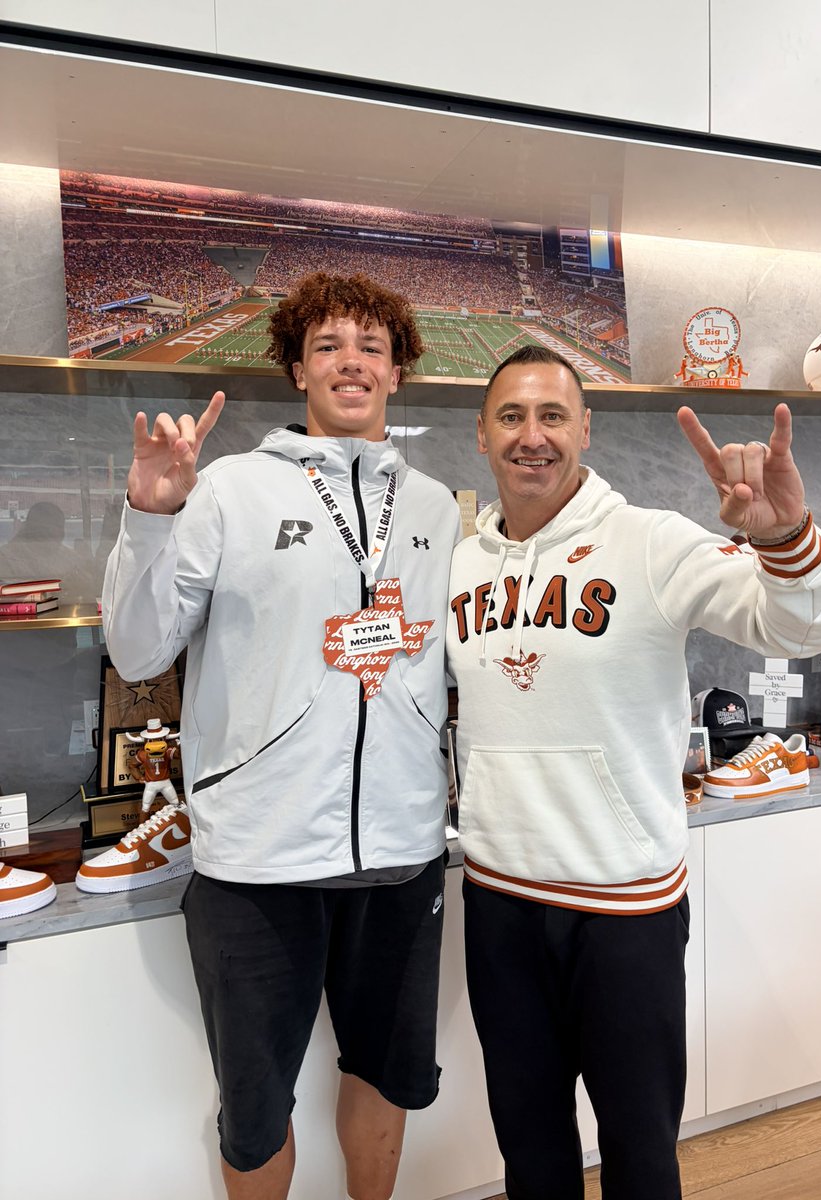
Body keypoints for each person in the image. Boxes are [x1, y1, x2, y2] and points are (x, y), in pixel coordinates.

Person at [446, 344, 821, 1200]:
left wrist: (783, 538)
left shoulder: (651, 542)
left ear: (585, 430)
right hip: (499, 902)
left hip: (625, 909)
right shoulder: (457, 565)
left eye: (553, 415)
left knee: (640, 1156)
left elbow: (808, 625)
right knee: (529, 1154)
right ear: (480, 435)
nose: (533, 436)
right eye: (512, 416)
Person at [102, 273, 460, 1200]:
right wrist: (150, 517)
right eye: (331, 345)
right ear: (298, 366)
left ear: (399, 370)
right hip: (259, 858)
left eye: (372, 346)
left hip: (403, 848)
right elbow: (138, 651)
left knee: (387, 1078)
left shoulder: (431, 507)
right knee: (256, 1107)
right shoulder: (227, 490)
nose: (353, 361)